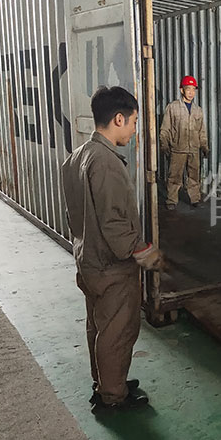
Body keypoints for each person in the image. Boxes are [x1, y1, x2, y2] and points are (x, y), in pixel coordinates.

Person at [61, 86, 161, 413]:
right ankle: (113, 397)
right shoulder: (106, 163)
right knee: (117, 331)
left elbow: (74, 215)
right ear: (119, 119)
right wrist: (145, 253)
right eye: (133, 122)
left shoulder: (77, 157)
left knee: (99, 327)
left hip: (88, 261)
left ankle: (105, 382)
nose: (134, 130)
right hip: (111, 268)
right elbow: (115, 224)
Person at [159, 75, 209, 210]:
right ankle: (171, 200)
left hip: (194, 149)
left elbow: (201, 131)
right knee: (174, 176)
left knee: (194, 176)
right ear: (182, 90)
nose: (191, 92)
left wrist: (204, 146)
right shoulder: (173, 107)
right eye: (188, 89)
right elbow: (165, 128)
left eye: (193, 89)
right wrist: (164, 144)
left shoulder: (198, 110)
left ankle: (195, 199)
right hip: (178, 149)